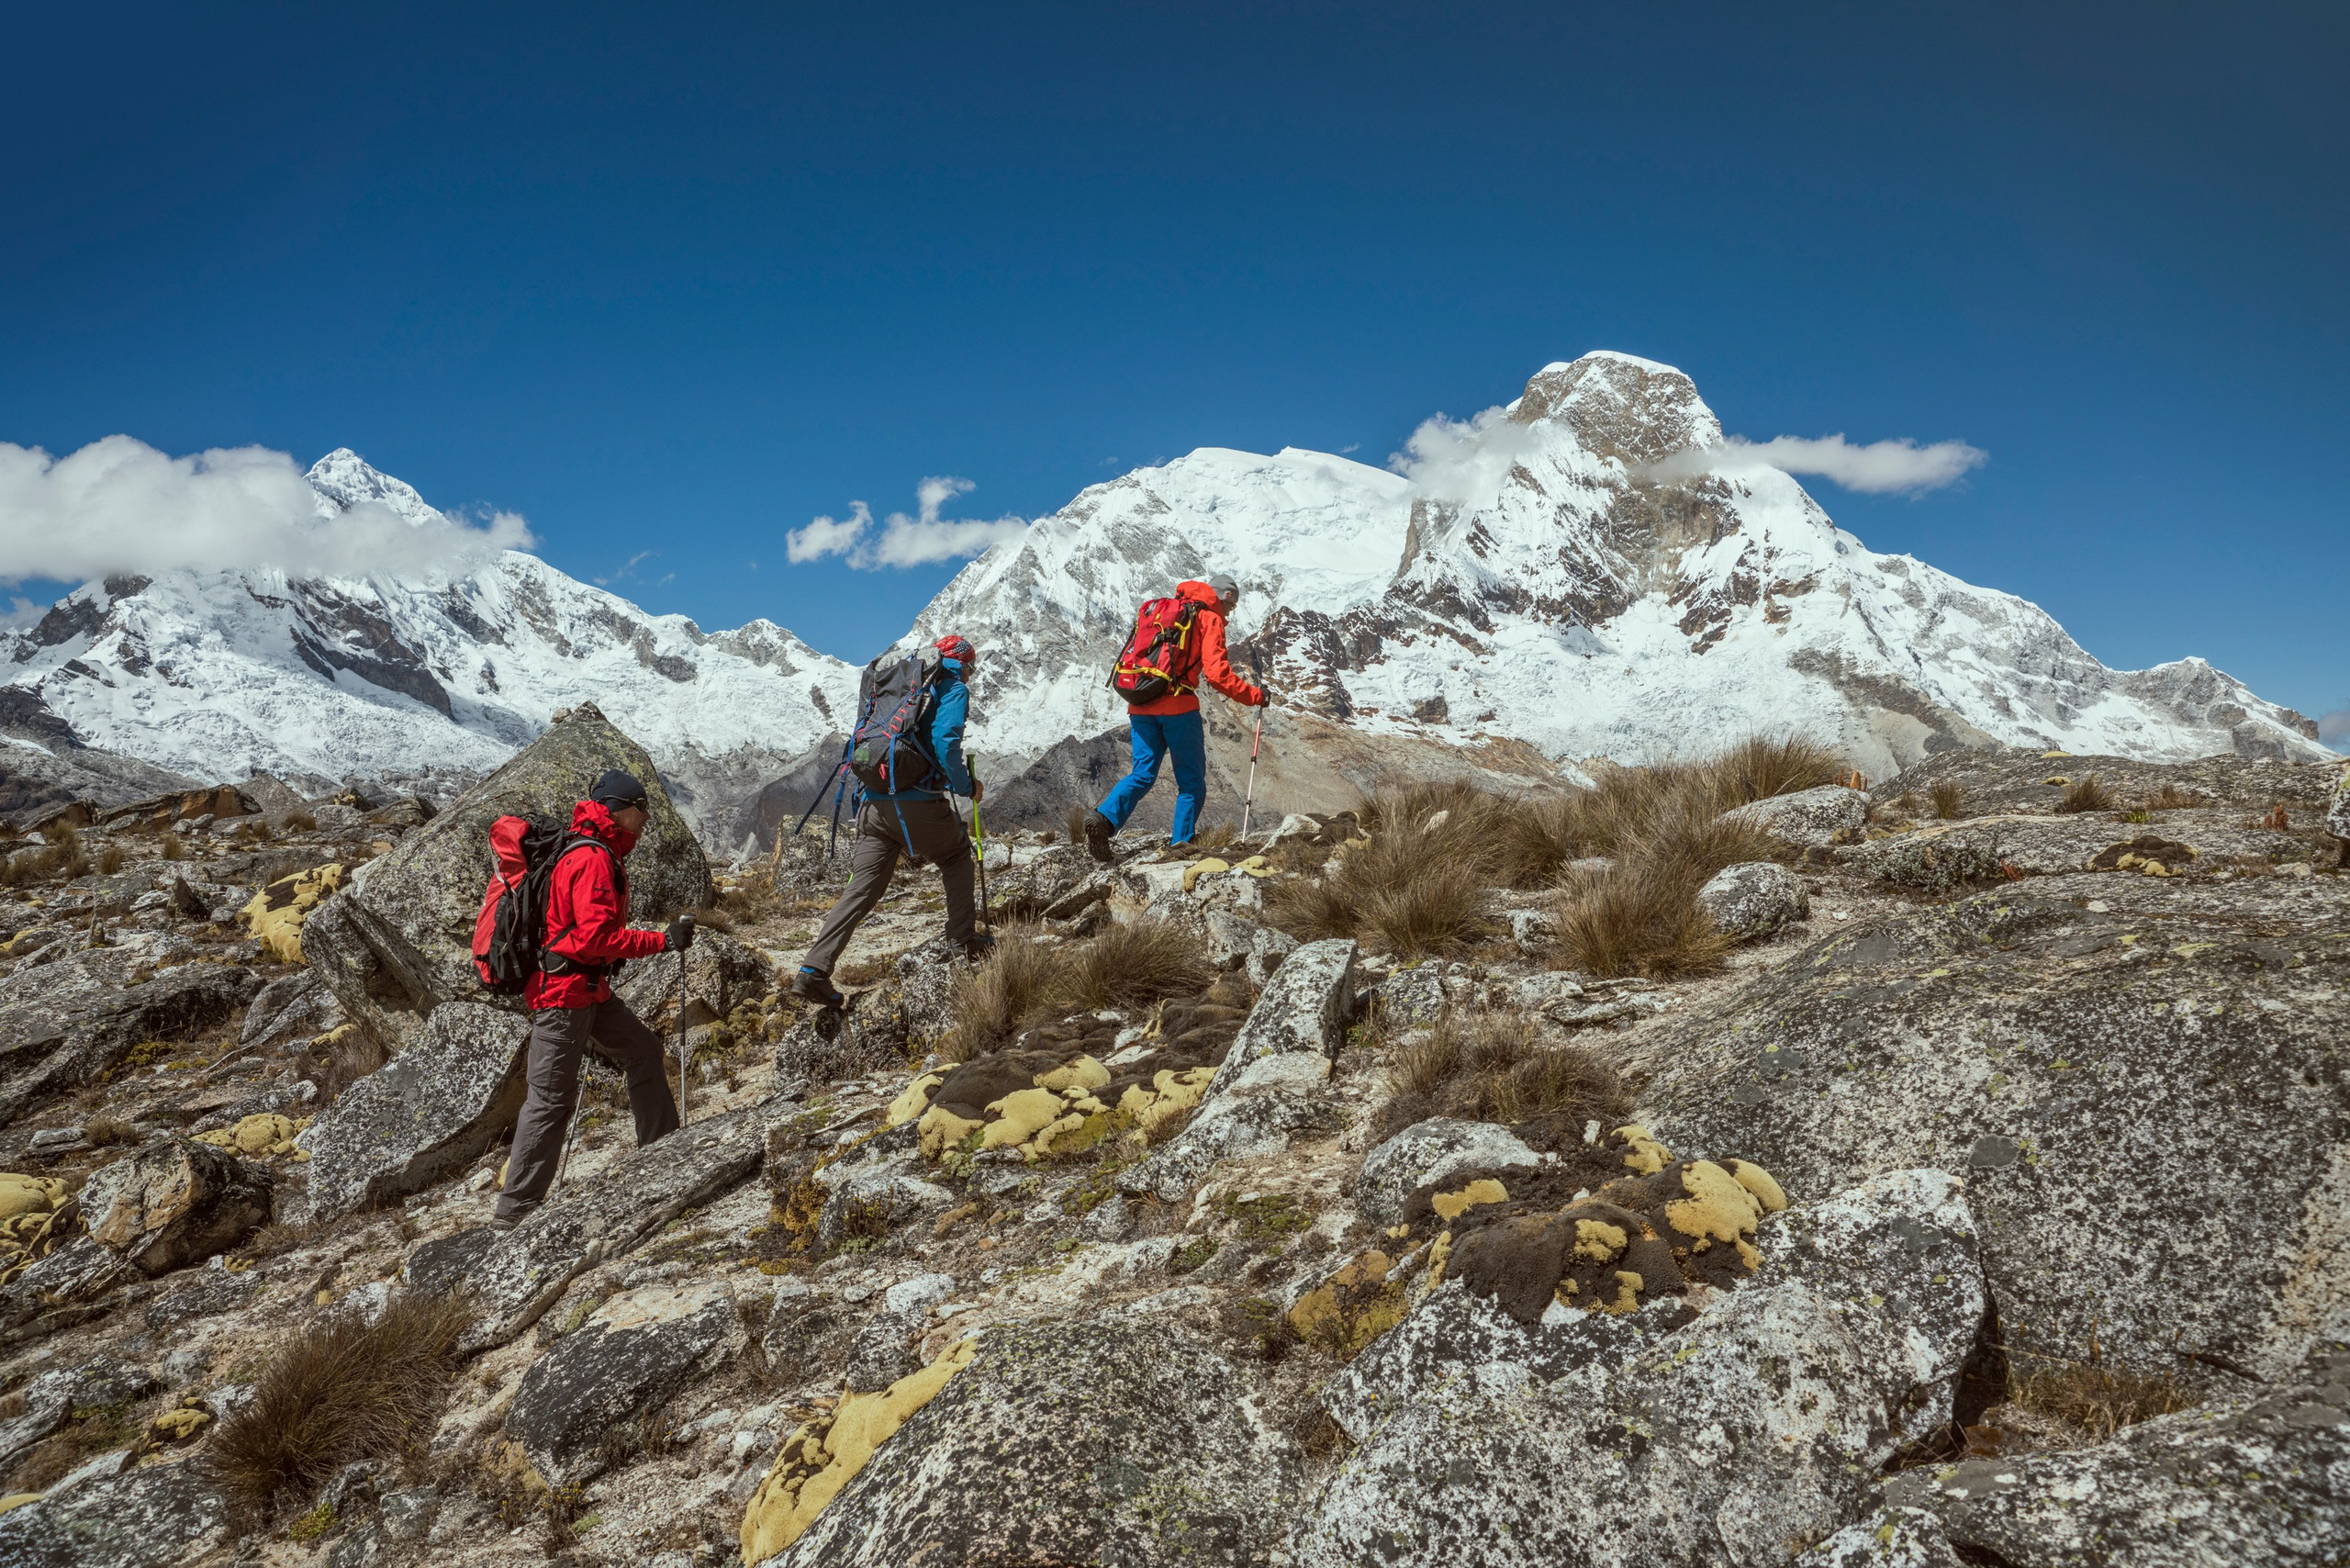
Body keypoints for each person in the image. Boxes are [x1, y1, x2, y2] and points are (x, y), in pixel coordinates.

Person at [493, 768, 696, 1228]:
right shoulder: (592, 858)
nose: (646, 818)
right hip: (564, 996)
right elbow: (595, 939)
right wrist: (662, 941)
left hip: (586, 990)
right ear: (617, 810)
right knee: (549, 1099)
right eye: (641, 809)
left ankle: (661, 1151)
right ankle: (515, 1209)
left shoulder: (590, 849)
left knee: (643, 1050)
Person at [791, 635, 987, 1008]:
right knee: (956, 856)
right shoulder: (952, 687)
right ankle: (961, 941)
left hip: (872, 804)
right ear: (961, 663)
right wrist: (966, 787)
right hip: (916, 805)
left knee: (861, 888)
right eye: (970, 668)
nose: (970, 675)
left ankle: (813, 970)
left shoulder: (898, 686)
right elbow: (946, 743)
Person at [1083, 575, 1267, 860]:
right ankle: (1180, 844)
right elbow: (1217, 675)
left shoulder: (1163, 610)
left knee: (1142, 774)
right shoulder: (1208, 618)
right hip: (1178, 709)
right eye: (1231, 607)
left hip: (1140, 702)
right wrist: (1255, 696)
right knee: (1191, 782)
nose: (1230, 614)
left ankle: (1104, 819)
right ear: (1224, 598)